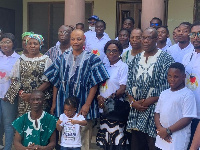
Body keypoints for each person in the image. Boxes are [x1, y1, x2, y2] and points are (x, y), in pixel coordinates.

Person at [44, 29, 109, 150]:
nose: (76, 42)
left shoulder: (93, 59)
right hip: (64, 105)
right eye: (73, 39)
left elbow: (95, 84)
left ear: (84, 40)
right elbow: (55, 82)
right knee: (64, 139)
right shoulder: (62, 58)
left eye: (79, 39)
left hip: (83, 104)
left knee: (84, 140)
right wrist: (54, 103)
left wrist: (87, 105)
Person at [126, 27, 174, 150]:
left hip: (155, 110)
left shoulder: (166, 59)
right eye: (144, 38)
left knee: (153, 144)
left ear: (156, 39)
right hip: (136, 110)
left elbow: (168, 85)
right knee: (137, 145)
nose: (145, 41)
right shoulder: (136, 59)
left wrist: (148, 101)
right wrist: (133, 102)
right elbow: (129, 82)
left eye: (149, 38)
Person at [5, 34, 52, 116]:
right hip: (24, 99)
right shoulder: (21, 60)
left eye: (35, 44)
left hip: (39, 99)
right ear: (26, 46)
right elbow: (15, 79)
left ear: (40, 45)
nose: (32, 46)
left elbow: (48, 81)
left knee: (39, 123)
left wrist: (32, 95)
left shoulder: (46, 60)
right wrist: (22, 93)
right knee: (24, 123)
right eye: (30, 44)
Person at [154, 62, 197, 150]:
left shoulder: (187, 95)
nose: (172, 79)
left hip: (177, 140)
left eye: (176, 76)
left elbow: (187, 118)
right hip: (161, 138)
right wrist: (160, 130)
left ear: (184, 77)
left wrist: (167, 131)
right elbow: (157, 113)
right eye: (169, 76)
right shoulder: (164, 93)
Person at [96, 40, 128, 149]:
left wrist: (108, 100)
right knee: (105, 141)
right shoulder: (103, 66)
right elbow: (99, 86)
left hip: (115, 109)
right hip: (103, 109)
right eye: (109, 50)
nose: (111, 53)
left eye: (114, 51)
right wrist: (99, 97)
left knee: (117, 142)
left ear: (119, 52)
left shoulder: (123, 67)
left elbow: (123, 88)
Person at [0, 33, 20, 150]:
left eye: (8, 42)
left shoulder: (18, 59)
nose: (4, 44)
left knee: (8, 124)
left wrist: (9, 95)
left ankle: (7, 147)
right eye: (2, 42)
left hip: (8, 97)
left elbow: (18, 80)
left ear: (13, 44)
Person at [182, 21, 200, 149]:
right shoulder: (187, 57)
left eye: (199, 34)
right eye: (193, 34)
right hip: (188, 112)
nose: (196, 37)